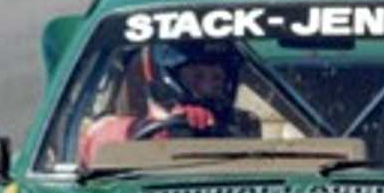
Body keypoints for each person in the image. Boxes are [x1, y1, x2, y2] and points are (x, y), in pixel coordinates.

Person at [79, 41, 260, 166]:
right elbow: (96, 139)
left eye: (217, 79)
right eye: (197, 77)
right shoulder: (116, 130)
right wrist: (153, 131)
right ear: (165, 78)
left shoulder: (243, 125)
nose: (207, 89)